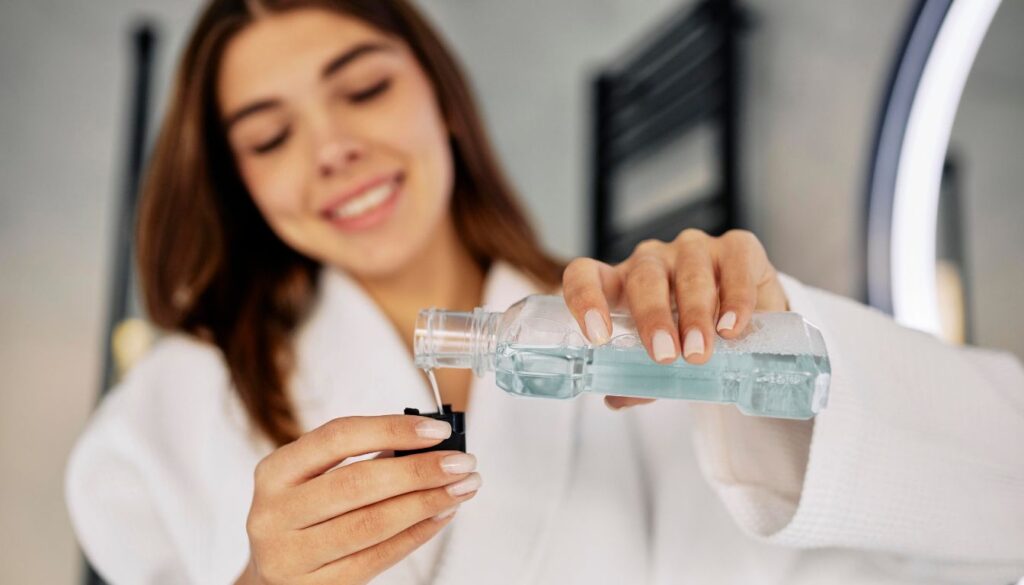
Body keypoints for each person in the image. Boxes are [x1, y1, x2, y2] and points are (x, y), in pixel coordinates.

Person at [65, 1, 1024, 583]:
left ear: (439, 95)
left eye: (363, 89)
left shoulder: (641, 351)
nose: (333, 149)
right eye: (269, 138)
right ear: (241, 183)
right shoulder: (167, 412)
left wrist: (781, 371)